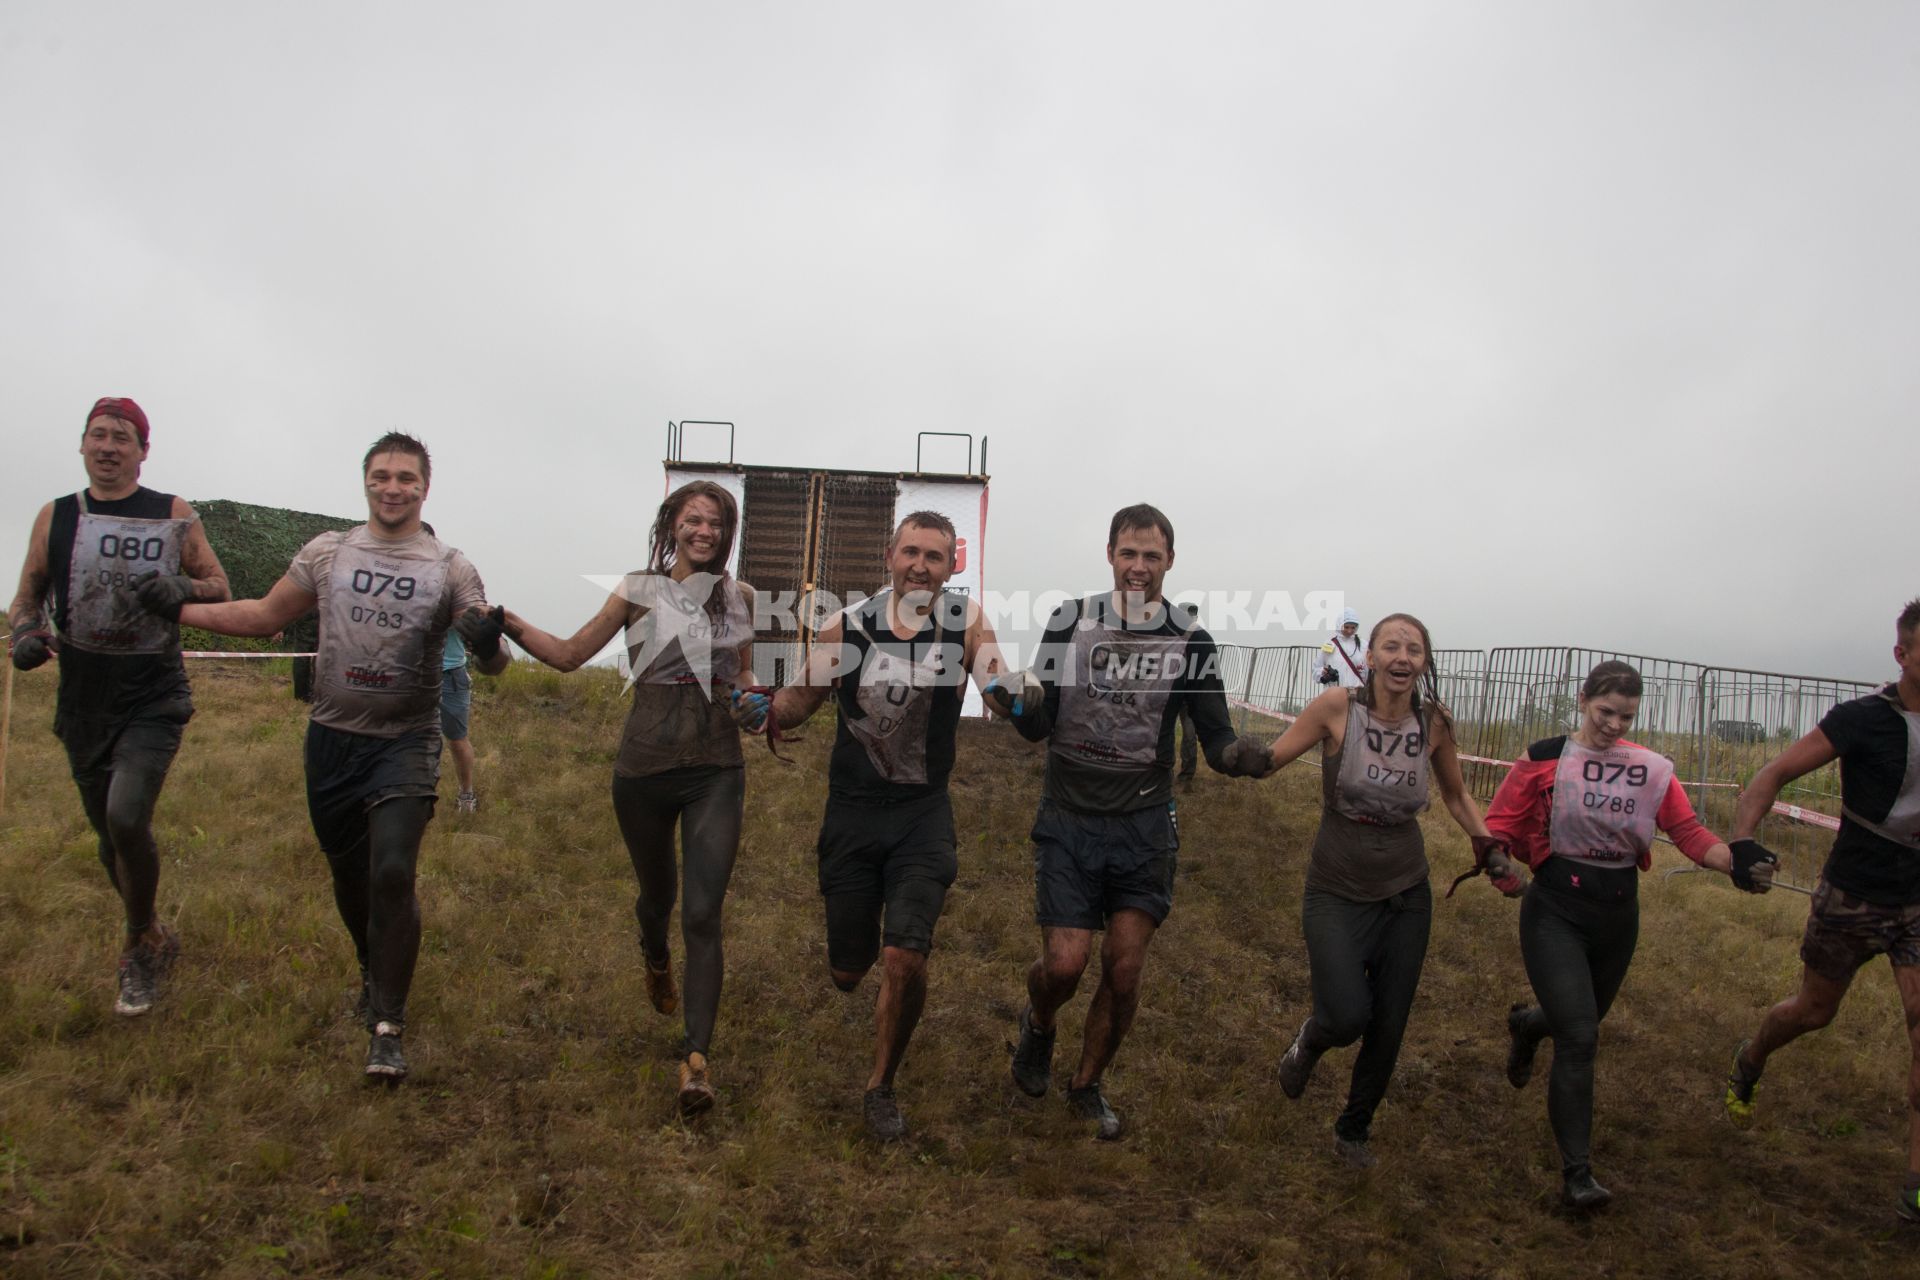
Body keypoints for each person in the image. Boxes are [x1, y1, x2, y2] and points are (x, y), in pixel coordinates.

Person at [163, 432, 507, 1080]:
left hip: (405, 742)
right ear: (366, 482)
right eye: (382, 475)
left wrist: (488, 644)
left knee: (392, 873)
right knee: (351, 881)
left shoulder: (451, 567)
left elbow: (493, 665)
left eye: (406, 477)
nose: (393, 486)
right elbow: (266, 615)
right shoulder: (329, 554)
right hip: (331, 742)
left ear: (424, 487)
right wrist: (177, 610)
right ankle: (368, 966)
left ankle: (388, 1025)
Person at [991, 503, 1273, 1139]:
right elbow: (1040, 723)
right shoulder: (1072, 621)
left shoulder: (1191, 641)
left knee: (1122, 970)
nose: (1139, 566)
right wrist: (1017, 702)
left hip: (1144, 824)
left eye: (1152, 555)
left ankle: (1087, 1085)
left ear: (1170, 560)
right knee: (1063, 966)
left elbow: (1216, 736)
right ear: (1110, 555)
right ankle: (1038, 1025)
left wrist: (1243, 757)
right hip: (1069, 817)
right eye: (1128, 553)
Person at [731, 511, 1009, 1140]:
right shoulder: (845, 628)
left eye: (934, 557)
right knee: (849, 971)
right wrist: (759, 710)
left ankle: (881, 1086)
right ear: (890, 555)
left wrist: (1022, 694)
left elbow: (996, 691)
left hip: (922, 815)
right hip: (852, 816)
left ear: (949, 567)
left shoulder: (966, 625)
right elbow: (799, 702)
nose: (920, 565)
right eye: (911, 552)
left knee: (905, 956)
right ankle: (853, 969)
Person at [501, 480, 756, 1118]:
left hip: (716, 770)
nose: (705, 532)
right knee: (658, 900)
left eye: (717, 523)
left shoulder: (742, 598)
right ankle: (652, 952)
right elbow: (568, 655)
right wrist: (507, 622)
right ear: (671, 524)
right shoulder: (637, 591)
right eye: (694, 520)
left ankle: (696, 1062)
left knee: (703, 913)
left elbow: (744, 673)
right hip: (642, 772)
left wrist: (755, 700)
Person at [1485, 659, 1770, 1209]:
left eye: (1626, 716)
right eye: (1605, 712)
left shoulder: (1648, 770)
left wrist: (1731, 862)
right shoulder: (1544, 757)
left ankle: (1526, 1026)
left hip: (1618, 914)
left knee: (1580, 1018)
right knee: (1581, 1038)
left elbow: (1685, 829)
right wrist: (1499, 861)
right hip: (1555, 910)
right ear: (1583, 699)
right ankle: (1577, 1177)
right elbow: (1499, 824)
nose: (1615, 725)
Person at [1257, 614, 1517, 1169]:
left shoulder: (1435, 723)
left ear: (1425, 662)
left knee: (1389, 1020)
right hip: (1335, 885)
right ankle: (1312, 1038)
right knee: (1347, 1014)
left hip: (1405, 891)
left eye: (1415, 650)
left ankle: (1354, 1128)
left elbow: (1455, 796)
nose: (1403, 658)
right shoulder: (1335, 708)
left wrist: (1488, 844)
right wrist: (1241, 757)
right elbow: (1274, 758)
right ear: (1369, 655)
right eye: (1392, 647)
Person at [8, 397, 230, 1016]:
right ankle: (155, 932)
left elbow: (219, 586)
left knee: (127, 817)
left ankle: (135, 950)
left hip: (153, 695)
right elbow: (28, 596)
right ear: (82, 444)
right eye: (98, 435)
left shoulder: (172, 514)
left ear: (142, 450)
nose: (109, 446)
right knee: (109, 835)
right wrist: (26, 635)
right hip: (83, 702)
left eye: (122, 437)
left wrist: (179, 587)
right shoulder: (56, 517)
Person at [1724, 599, 1920, 1222]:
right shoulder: (1862, 719)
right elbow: (1773, 773)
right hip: (1853, 894)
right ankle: (1752, 1057)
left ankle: (1916, 1186)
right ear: (1902, 655)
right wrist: (1742, 842)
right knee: (1813, 1011)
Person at [422, 525, 479, 814]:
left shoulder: (454, 578)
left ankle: (466, 795)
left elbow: (473, 619)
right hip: (410, 674)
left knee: (456, 739)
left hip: (450, 674)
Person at [1317, 608, 1366, 689]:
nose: (1349, 631)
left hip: (1357, 694)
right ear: (1339, 625)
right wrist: (1324, 673)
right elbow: (1317, 667)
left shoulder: (1363, 645)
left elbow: (1368, 670)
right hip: (1335, 693)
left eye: (1353, 628)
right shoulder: (1329, 644)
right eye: (1346, 627)